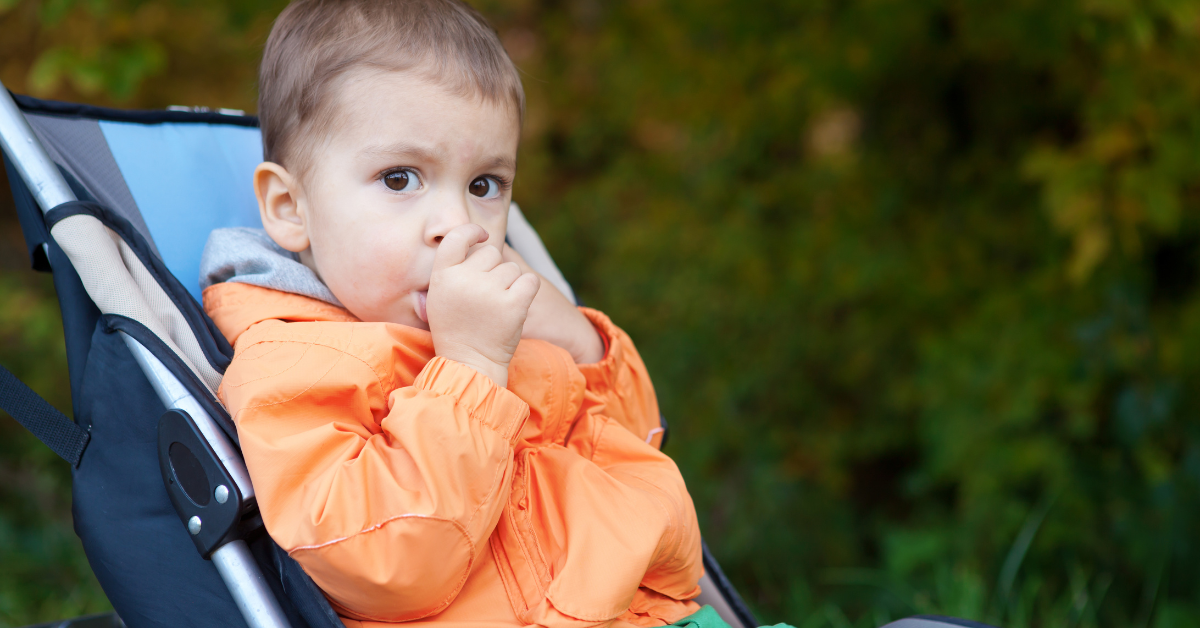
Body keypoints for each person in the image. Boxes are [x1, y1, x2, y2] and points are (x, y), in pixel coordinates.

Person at [199, 1, 796, 627]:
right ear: (291, 208)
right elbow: (384, 566)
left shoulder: (501, 319)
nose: (459, 225)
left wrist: (579, 343)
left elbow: (643, 444)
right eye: (400, 179)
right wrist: (472, 369)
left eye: (484, 185)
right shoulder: (291, 367)